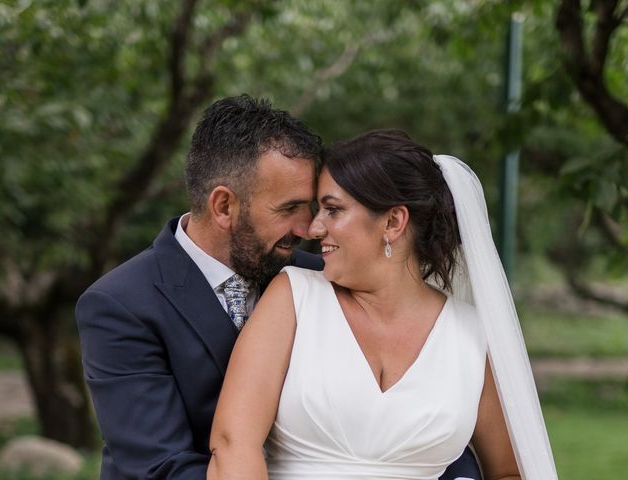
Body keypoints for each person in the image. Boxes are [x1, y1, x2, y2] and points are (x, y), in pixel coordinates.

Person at [207, 130, 558, 479]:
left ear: (392, 222)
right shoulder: (294, 297)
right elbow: (233, 444)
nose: (313, 228)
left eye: (332, 210)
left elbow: (510, 471)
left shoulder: (471, 335)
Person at [75, 95, 324, 479]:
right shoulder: (119, 304)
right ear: (224, 206)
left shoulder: (320, 278)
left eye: (311, 207)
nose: (308, 229)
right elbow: (159, 467)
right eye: (289, 209)